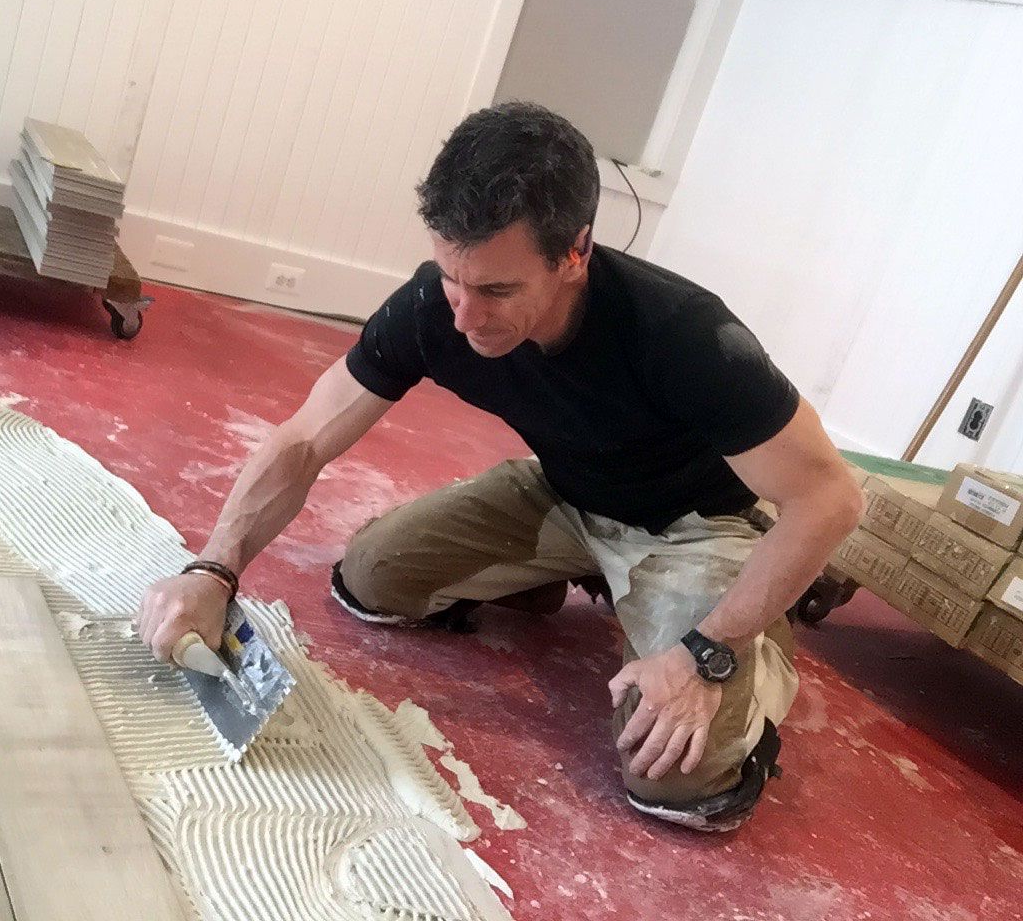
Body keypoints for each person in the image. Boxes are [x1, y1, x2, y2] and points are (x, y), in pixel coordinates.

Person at [137, 102, 863, 832]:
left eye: (496, 290)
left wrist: (712, 650)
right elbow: (305, 439)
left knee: (675, 779)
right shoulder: (439, 304)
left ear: (574, 252)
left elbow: (830, 500)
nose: (463, 316)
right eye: (453, 276)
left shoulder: (688, 337)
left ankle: (760, 645)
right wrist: (213, 570)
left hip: (693, 526)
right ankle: (571, 575)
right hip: (570, 491)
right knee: (371, 581)